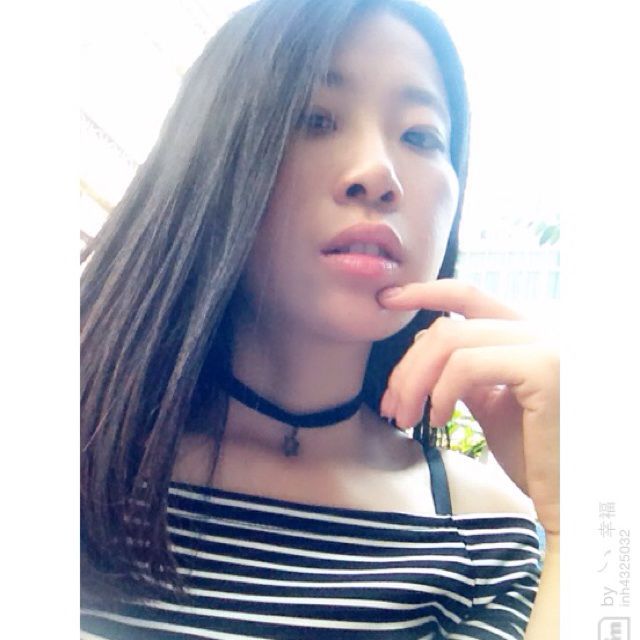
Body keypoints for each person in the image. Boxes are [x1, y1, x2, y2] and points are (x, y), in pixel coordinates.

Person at [80, 0, 559, 638]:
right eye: (315, 118)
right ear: (210, 160)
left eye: (421, 136)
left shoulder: (487, 538)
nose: (379, 175)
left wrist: (591, 514)